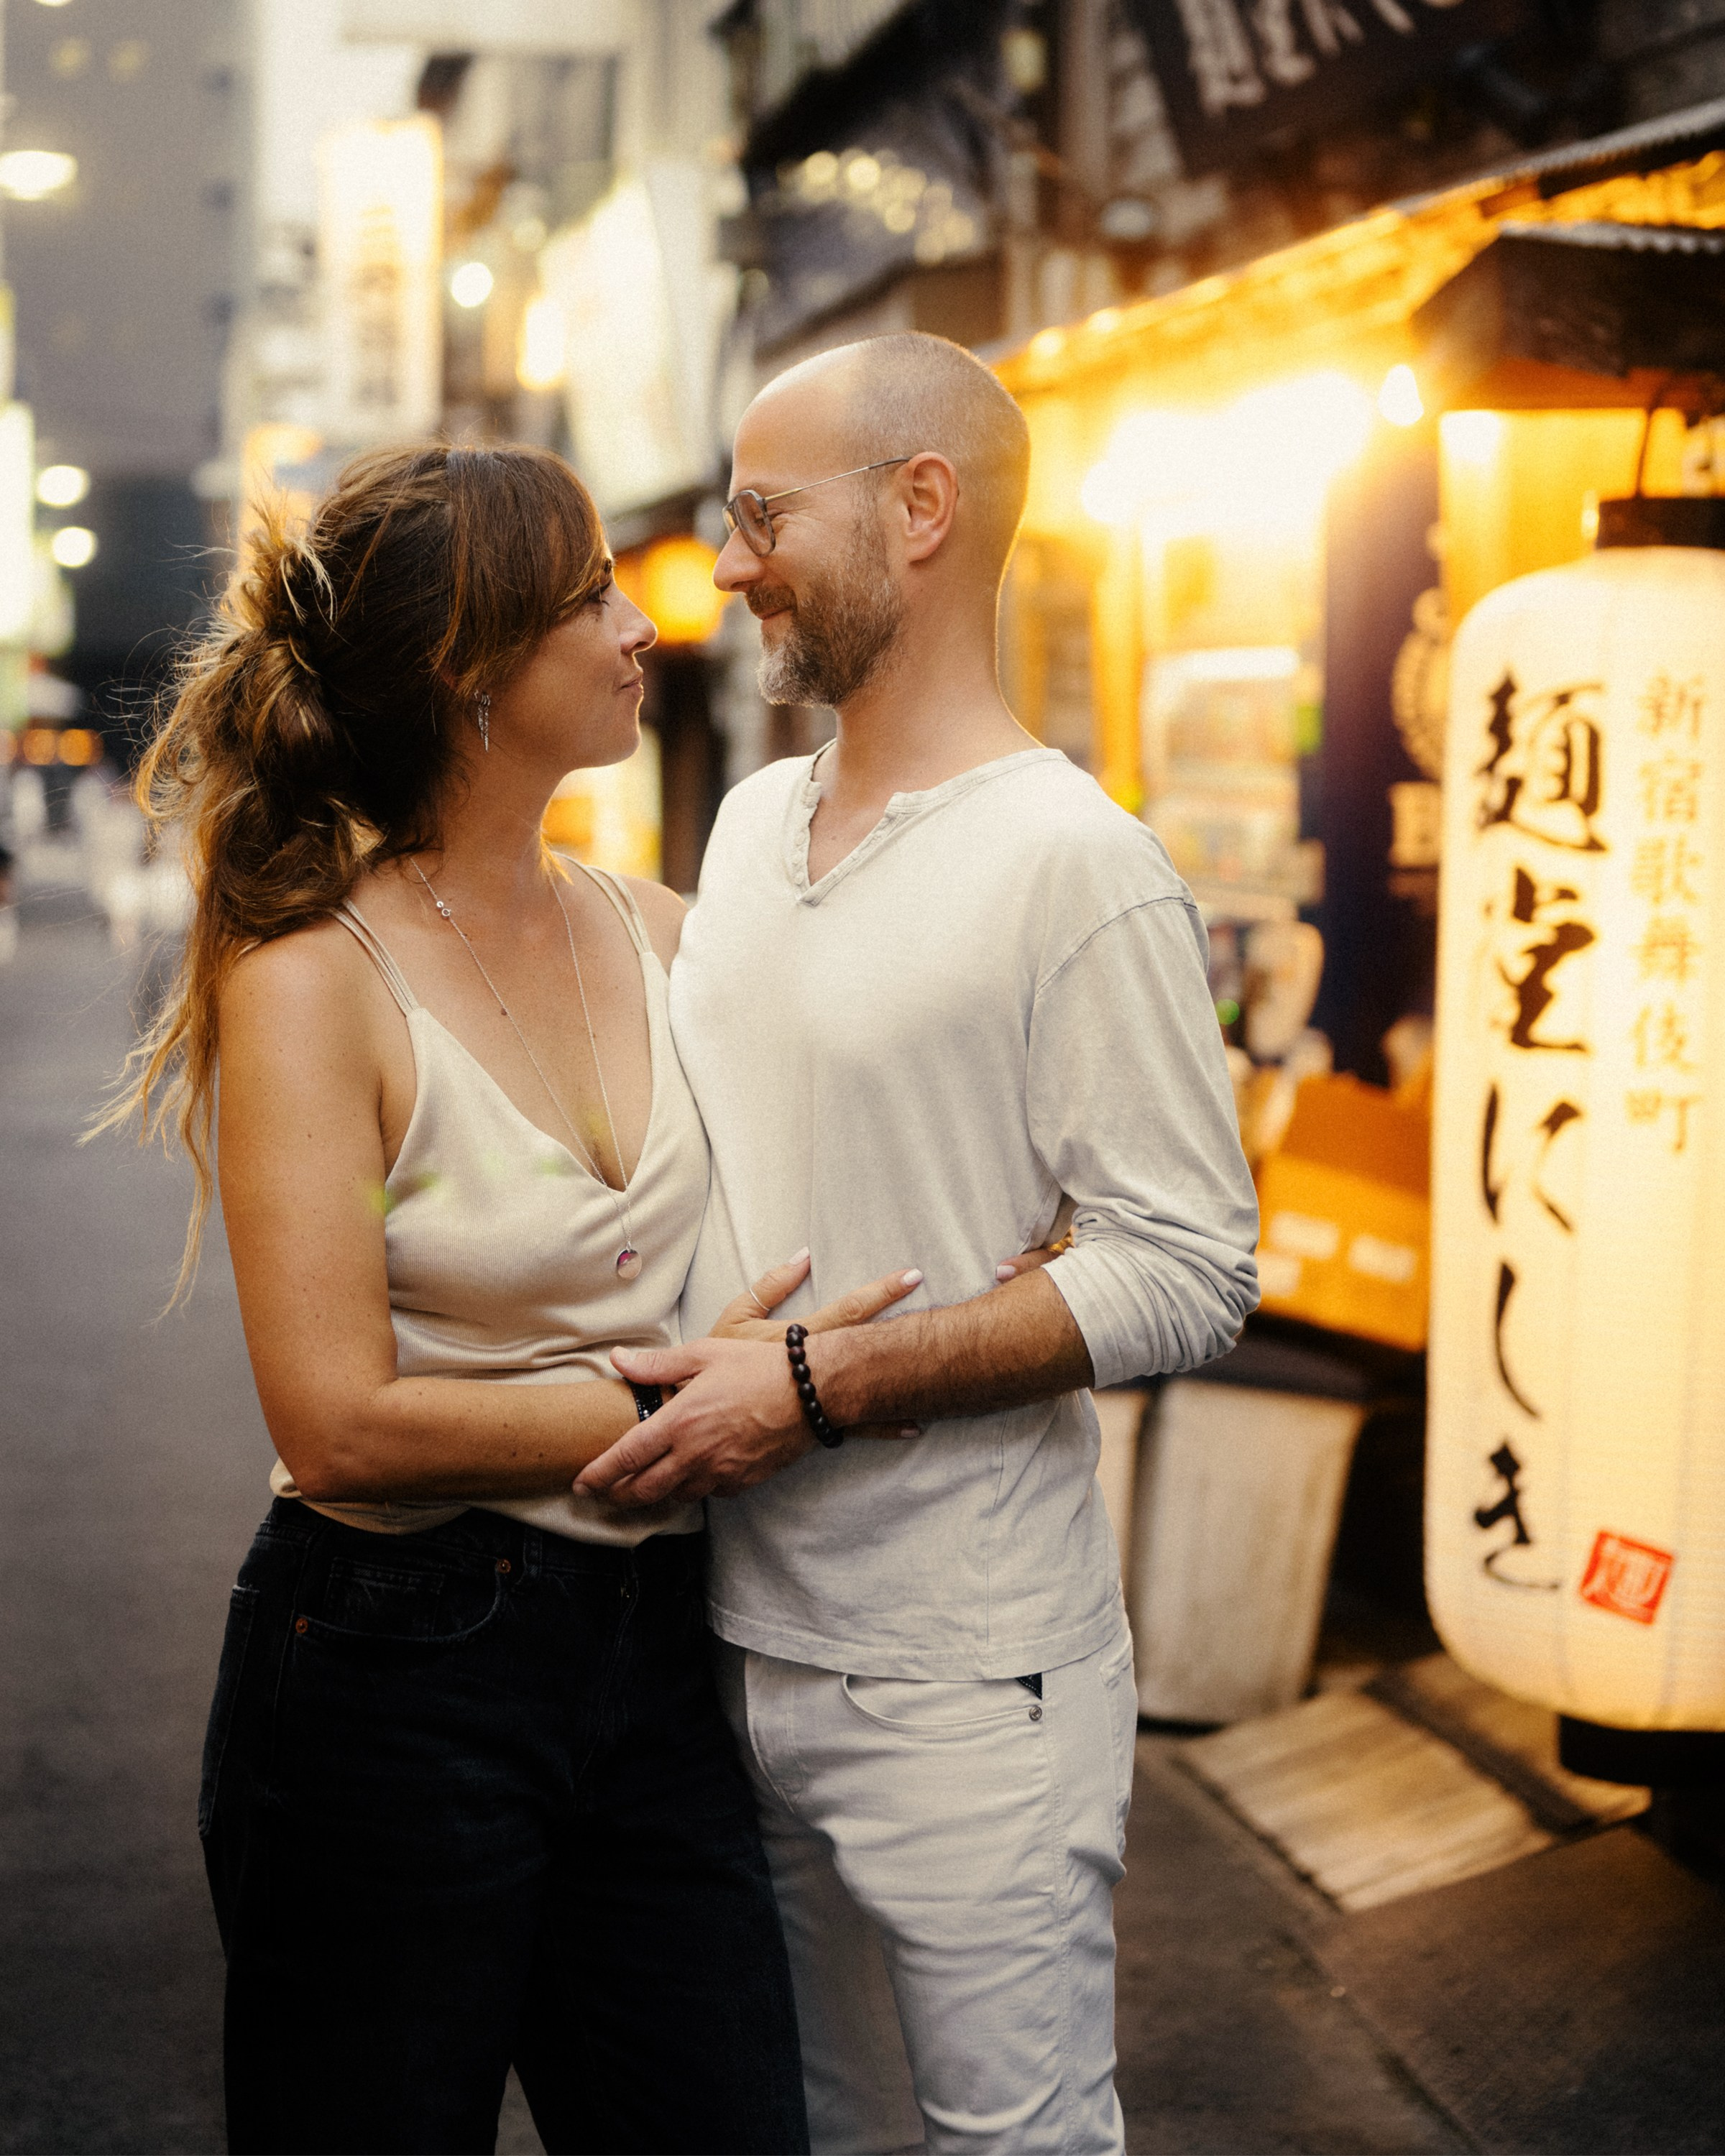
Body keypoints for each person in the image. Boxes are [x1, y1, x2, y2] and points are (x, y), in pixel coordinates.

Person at [100, 443, 927, 2156]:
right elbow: (333, 1423)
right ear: (471, 670)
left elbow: (889, 1076)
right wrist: (696, 1406)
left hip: (660, 1655)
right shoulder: (316, 978)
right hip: (392, 1664)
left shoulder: (661, 928)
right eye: (591, 600)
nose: (644, 626)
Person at [577, 334, 1262, 2155]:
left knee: (1012, 2140)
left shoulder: (1076, 863)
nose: (726, 566)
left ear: (923, 508)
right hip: (724, 1638)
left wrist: (826, 1381)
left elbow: (1190, 1261)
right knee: (822, 2130)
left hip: (967, 1665)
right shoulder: (748, 825)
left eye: (761, 515)